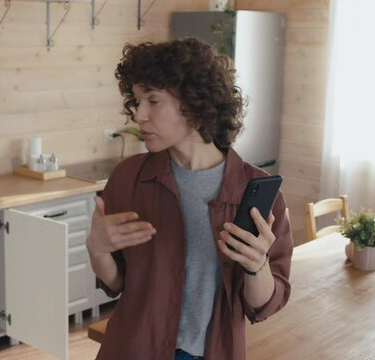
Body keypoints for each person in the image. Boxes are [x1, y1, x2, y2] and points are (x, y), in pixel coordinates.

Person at [86, 38, 293, 360]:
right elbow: (117, 281)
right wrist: (97, 250)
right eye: (137, 101)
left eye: (153, 100)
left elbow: (263, 304)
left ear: (196, 106)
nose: (139, 115)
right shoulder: (129, 178)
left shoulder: (257, 192)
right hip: (133, 349)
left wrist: (257, 265)